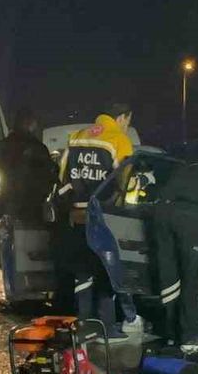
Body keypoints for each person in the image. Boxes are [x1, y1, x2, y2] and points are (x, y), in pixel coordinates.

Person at [56, 102, 138, 341]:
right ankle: (106, 328)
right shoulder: (118, 140)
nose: (127, 126)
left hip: (77, 215)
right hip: (103, 216)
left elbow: (63, 176)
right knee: (105, 270)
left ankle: (83, 325)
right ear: (122, 117)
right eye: (128, 121)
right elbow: (126, 179)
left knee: (82, 271)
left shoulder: (77, 137)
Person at [152, 158, 198, 353]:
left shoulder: (183, 164)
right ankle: (190, 336)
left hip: (161, 212)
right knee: (191, 277)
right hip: (188, 214)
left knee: (169, 277)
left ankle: (171, 334)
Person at [0, 107, 55, 226]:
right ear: (31, 124)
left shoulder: (4, 144)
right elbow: (49, 175)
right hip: (32, 204)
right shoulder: (39, 147)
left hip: (7, 198)